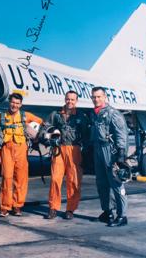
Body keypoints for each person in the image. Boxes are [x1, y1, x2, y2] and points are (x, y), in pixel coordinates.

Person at [40, 90, 89, 220]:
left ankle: (70, 209)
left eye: (73, 100)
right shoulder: (56, 114)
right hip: (59, 149)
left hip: (75, 150)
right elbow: (45, 127)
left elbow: (86, 135)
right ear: (65, 99)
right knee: (56, 179)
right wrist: (48, 139)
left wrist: (86, 153)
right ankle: (53, 208)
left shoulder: (81, 117)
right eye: (68, 99)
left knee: (73, 181)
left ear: (76, 101)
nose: (70, 102)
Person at [0, 93, 43, 217]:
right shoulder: (0, 117)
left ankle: (17, 206)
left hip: (21, 149)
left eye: (17, 103)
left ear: (20, 104)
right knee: (6, 178)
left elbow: (41, 122)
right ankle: (5, 206)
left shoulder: (26, 116)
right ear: (9, 102)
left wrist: (35, 135)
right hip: (6, 149)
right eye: (12, 102)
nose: (14, 105)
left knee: (21, 179)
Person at [90, 86, 129, 227]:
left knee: (116, 183)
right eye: (94, 97)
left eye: (99, 96)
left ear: (105, 97)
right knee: (102, 183)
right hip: (98, 149)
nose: (96, 99)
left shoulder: (113, 113)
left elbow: (121, 134)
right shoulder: (95, 113)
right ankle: (108, 212)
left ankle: (122, 215)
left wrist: (121, 154)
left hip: (110, 151)